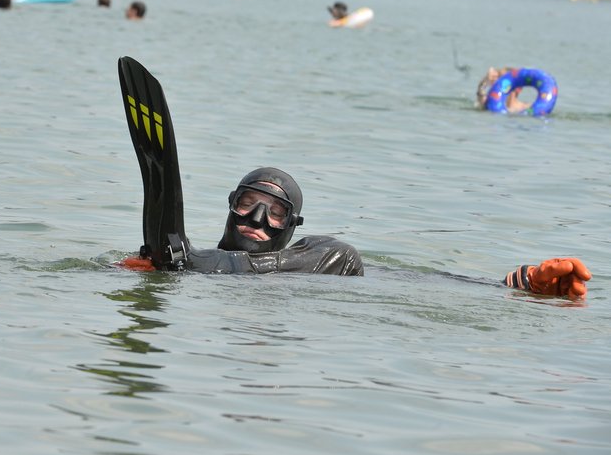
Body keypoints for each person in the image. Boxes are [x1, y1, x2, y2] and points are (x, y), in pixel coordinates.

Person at [119, 166, 591, 299]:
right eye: (247, 205)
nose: (257, 221)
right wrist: (147, 268)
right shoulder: (183, 260)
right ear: (229, 206)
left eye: (276, 213)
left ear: (293, 227)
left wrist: (521, 284)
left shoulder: (318, 255)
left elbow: (344, 258)